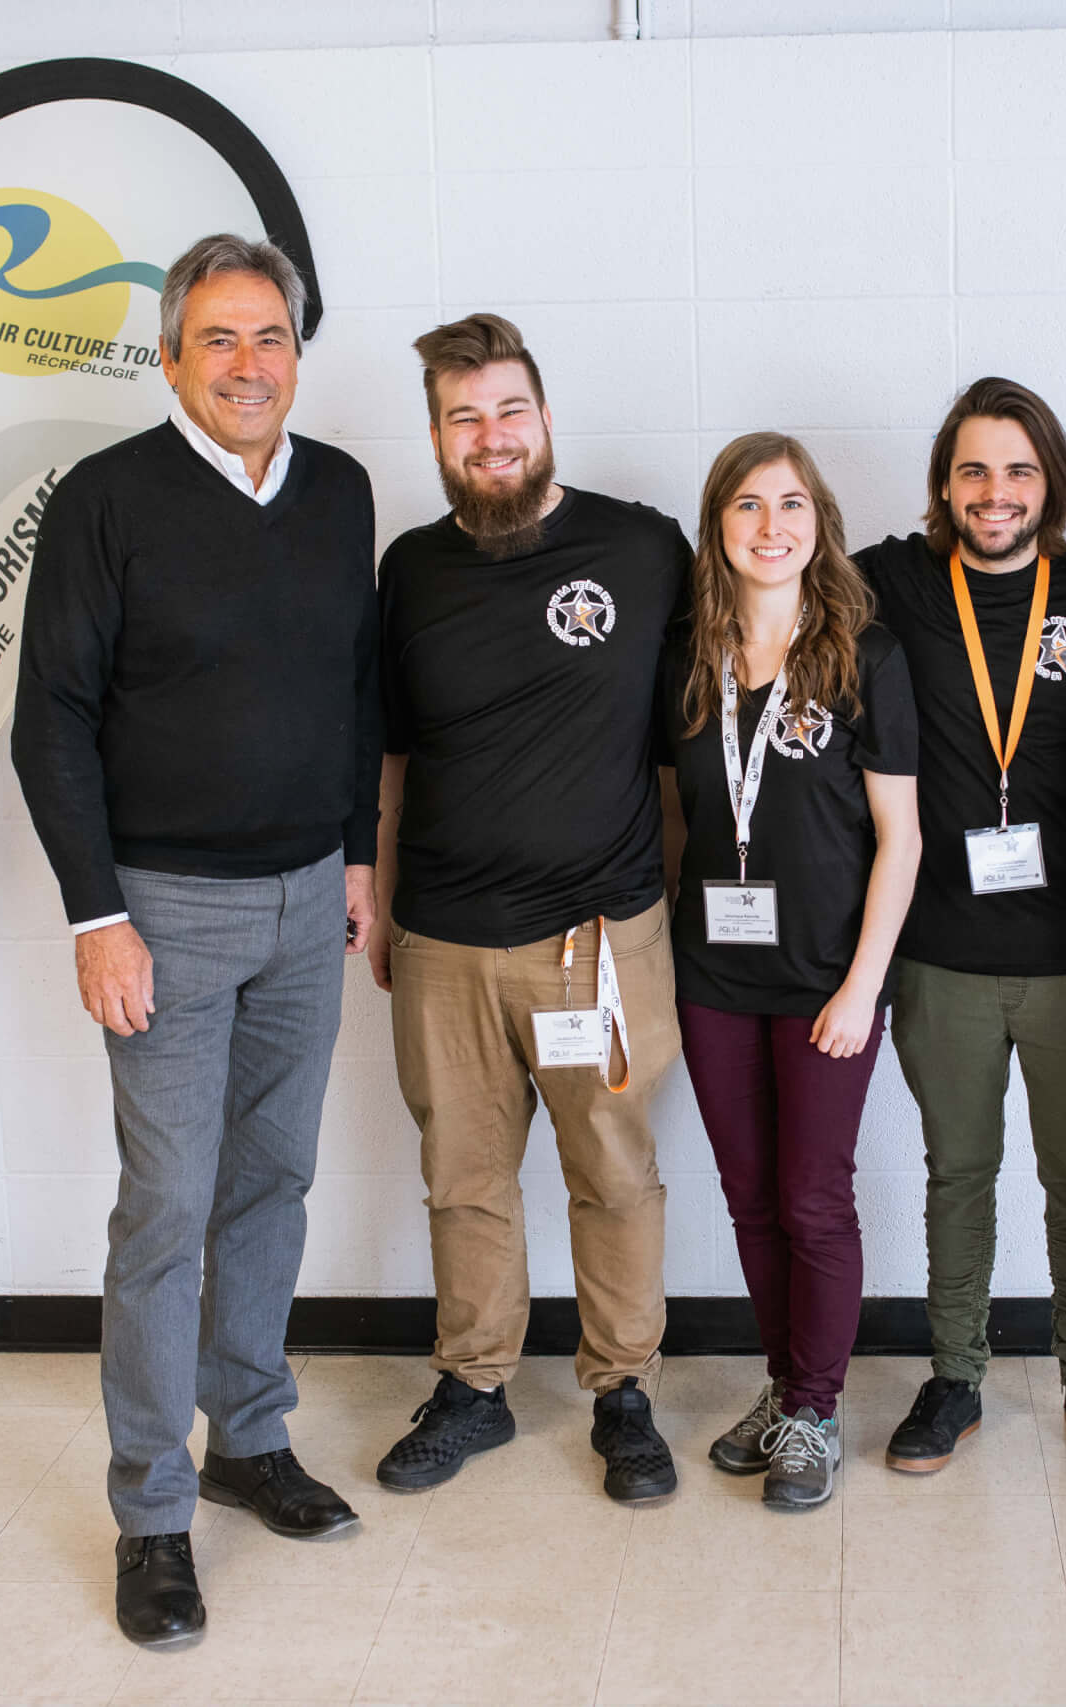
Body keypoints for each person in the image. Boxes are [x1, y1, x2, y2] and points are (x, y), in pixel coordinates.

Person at [11, 234, 377, 1647]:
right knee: (166, 1207)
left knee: (273, 1180)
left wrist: (355, 852)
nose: (246, 363)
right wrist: (96, 913)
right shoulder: (107, 501)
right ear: (169, 355)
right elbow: (53, 715)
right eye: (217, 339)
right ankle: (153, 1512)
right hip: (161, 906)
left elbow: (353, 686)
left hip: (304, 898)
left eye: (270, 336)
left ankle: (251, 1432)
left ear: (298, 351)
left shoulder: (337, 490)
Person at [365, 313, 689, 1504]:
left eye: (508, 411)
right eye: (464, 419)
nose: (490, 437)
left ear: (544, 417)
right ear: (439, 437)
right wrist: (384, 899)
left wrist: (665, 902)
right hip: (444, 939)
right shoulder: (410, 568)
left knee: (612, 1171)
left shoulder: (643, 548)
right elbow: (393, 755)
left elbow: (681, 750)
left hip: (596, 937)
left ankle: (623, 1388)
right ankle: (476, 1385)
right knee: (463, 1176)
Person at [855, 379, 1066, 1478]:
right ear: (945, 482)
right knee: (958, 1174)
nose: (995, 493)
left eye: (1018, 470)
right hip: (941, 954)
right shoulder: (891, 582)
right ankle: (954, 1376)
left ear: (1051, 484)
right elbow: (776, 591)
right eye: (973, 470)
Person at [662, 434, 922, 1511]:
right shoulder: (687, 658)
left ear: (820, 526)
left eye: (792, 506)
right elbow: (677, 816)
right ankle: (782, 1389)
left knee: (814, 1200)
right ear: (717, 526)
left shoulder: (864, 655)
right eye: (748, 507)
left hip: (827, 982)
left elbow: (899, 839)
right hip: (714, 974)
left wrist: (863, 987)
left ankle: (813, 1409)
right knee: (749, 1197)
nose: (771, 527)